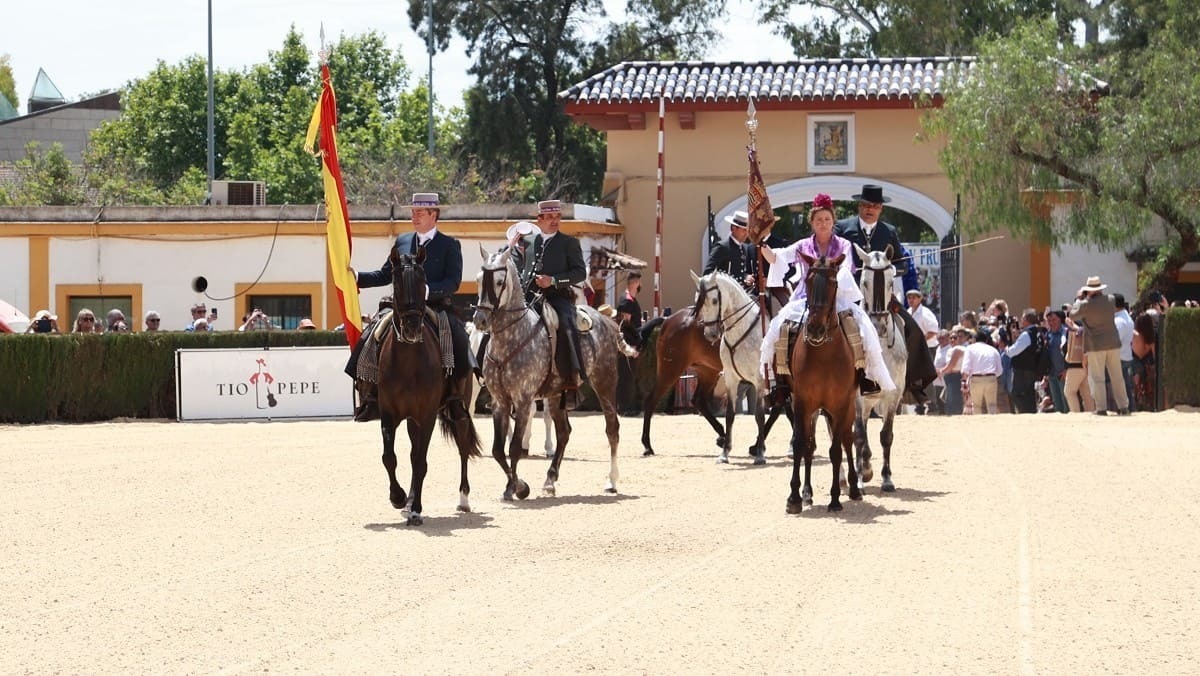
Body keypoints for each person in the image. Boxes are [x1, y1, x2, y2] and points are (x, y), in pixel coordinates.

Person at [346, 192, 471, 422]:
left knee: (460, 339)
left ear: (434, 215)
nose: (414, 217)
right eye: (412, 212)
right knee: (370, 335)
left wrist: (426, 291)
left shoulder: (449, 245)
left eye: (420, 213)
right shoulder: (403, 241)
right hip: (402, 308)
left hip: (435, 306)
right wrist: (357, 277)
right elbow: (386, 274)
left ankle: (455, 398)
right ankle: (370, 396)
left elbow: (453, 282)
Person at [758, 192, 897, 400]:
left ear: (833, 222)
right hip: (806, 299)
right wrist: (761, 243)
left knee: (865, 329)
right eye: (819, 220)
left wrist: (829, 284)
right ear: (812, 222)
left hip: (836, 296)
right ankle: (779, 379)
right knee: (778, 327)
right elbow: (777, 258)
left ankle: (866, 376)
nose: (823, 223)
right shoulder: (802, 245)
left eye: (827, 219)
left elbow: (846, 269)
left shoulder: (844, 245)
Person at [834, 183, 937, 404]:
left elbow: (903, 266)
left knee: (913, 330)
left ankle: (910, 384)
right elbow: (833, 254)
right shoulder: (842, 228)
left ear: (881, 209)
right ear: (859, 206)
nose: (870, 209)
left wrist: (885, 268)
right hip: (849, 296)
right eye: (866, 205)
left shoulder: (889, 232)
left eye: (876, 206)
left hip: (882, 297)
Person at [520, 199, 589, 408]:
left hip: (557, 297)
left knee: (567, 326)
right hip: (530, 296)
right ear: (539, 219)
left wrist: (554, 280)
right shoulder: (529, 242)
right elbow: (524, 270)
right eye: (549, 217)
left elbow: (580, 273)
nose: (554, 221)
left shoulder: (569, 243)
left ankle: (572, 379)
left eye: (557, 217)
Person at [1070, 276, 1129, 415]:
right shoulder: (1111, 300)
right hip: (1113, 342)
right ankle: (1123, 406)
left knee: (1098, 377)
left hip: (1096, 345)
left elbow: (1072, 315)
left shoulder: (1085, 305)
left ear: (1088, 290)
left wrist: (1079, 299)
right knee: (1117, 376)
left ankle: (1101, 408)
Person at [704, 210, 756, 291]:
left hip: (742, 295)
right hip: (725, 295)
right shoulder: (722, 247)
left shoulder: (746, 248)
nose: (747, 234)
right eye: (744, 230)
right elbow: (708, 274)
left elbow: (742, 272)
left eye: (748, 230)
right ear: (733, 228)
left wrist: (746, 277)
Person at [615, 271, 645, 415]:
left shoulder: (630, 299)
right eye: (639, 281)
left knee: (631, 375)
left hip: (632, 342)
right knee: (626, 375)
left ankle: (630, 406)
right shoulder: (626, 300)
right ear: (635, 282)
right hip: (628, 343)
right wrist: (632, 344)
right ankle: (625, 408)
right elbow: (625, 324)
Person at [906, 288, 940, 414]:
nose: (911, 300)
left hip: (927, 348)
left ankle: (932, 404)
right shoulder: (909, 312)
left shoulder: (925, 313)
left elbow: (933, 331)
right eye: (909, 297)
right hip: (914, 349)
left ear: (920, 299)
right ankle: (919, 404)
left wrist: (920, 341)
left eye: (914, 297)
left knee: (927, 376)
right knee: (915, 377)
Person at [1005, 308, 1043, 413]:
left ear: (1026, 319)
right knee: (1029, 394)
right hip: (1032, 368)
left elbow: (1013, 351)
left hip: (1023, 370)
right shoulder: (1038, 331)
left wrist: (1007, 349)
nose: (1021, 321)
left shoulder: (1027, 333)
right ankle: (1031, 412)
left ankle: (1026, 413)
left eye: (1022, 318)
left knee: (1018, 394)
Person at [960, 328, 1003, 414]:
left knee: (976, 405)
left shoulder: (970, 348)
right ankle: (993, 423)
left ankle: (978, 424)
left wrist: (964, 382)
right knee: (992, 405)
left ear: (974, 339)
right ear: (986, 340)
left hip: (976, 378)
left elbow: (965, 368)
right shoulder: (994, 350)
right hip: (991, 378)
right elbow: (999, 371)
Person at [1112, 293, 1137, 413]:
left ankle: (1124, 409)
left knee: (1120, 387)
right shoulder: (1125, 317)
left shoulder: (1119, 320)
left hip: (1119, 357)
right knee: (1125, 385)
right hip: (1125, 355)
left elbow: (1115, 339)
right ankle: (1128, 408)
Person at [1043, 309, 1069, 413]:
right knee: (1056, 401)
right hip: (1052, 373)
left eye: (1054, 319)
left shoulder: (1065, 333)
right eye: (1049, 320)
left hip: (1063, 372)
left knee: (1066, 400)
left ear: (1060, 320)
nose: (1051, 322)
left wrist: (1066, 369)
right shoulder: (1048, 335)